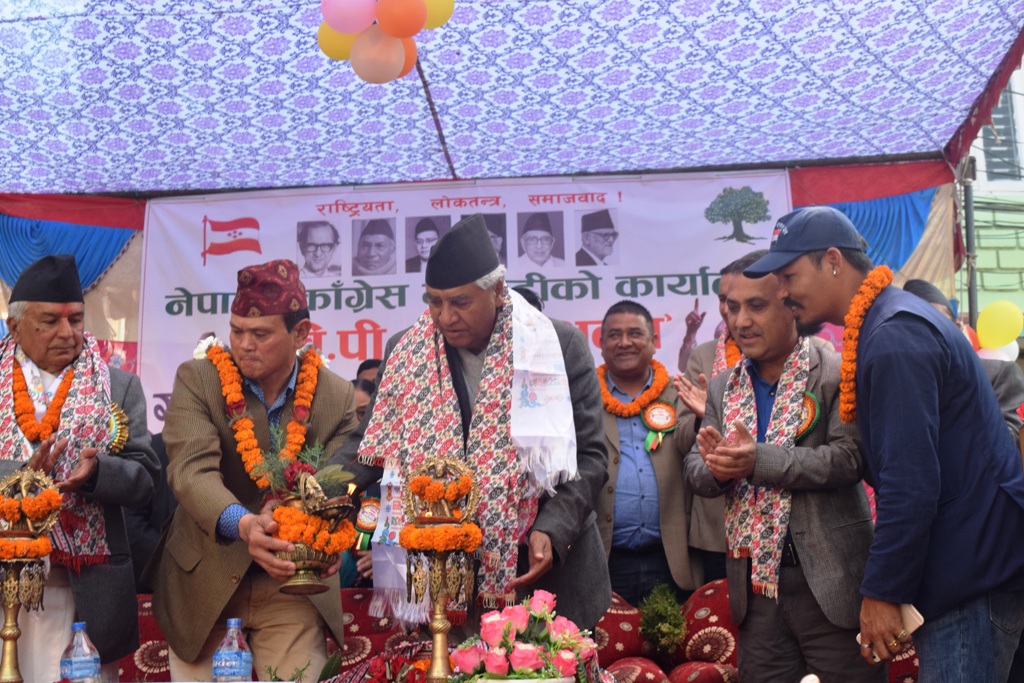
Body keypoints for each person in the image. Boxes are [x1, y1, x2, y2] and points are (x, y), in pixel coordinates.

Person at [744, 205, 1024, 681]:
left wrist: (882, 591)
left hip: (970, 572)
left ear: (833, 260)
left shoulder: (895, 335)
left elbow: (909, 483)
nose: (782, 292)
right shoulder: (885, 322)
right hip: (969, 564)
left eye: (789, 276)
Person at [330, 213, 611, 632]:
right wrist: (319, 490)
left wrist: (553, 528)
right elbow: (368, 446)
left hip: (539, 572)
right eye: (434, 302)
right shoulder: (405, 351)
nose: (445, 317)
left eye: (460, 302)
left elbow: (588, 456)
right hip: (443, 572)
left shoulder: (556, 344)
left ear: (497, 291)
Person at [147, 259, 359, 682]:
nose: (244, 345)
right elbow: (190, 471)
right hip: (205, 578)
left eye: (260, 334)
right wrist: (243, 524)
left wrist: (328, 535)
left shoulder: (335, 396)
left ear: (300, 333)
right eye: (236, 331)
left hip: (293, 579)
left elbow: (341, 480)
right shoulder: (198, 379)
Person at [682, 265, 879, 682]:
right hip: (755, 587)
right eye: (732, 307)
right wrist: (719, 469)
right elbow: (696, 468)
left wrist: (758, 461)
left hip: (830, 578)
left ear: (792, 307)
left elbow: (849, 459)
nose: (741, 321)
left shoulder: (834, 371)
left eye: (756, 306)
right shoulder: (723, 386)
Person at [0, 254, 159, 683]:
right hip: (5, 579)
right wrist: (19, 475)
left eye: (75, 319)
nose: (67, 333)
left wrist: (97, 474)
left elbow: (145, 479)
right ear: (14, 326)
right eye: (50, 321)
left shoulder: (117, 386)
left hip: (83, 589)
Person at [596, 300, 702, 606]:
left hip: (671, 559)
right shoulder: (584, 397)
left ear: (654, 341)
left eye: (634, 333)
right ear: (601, 344)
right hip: (607, 561)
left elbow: (687, 440)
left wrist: (702, 418)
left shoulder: (678, 392)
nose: (624, 342)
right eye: (614, 335)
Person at [674, 251, 767, 584]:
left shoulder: (803, 354)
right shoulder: (704, 355)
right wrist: (705, 419)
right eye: (724, 300)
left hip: (780, 518)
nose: (729, 310)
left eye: (745, 301)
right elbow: (681, 441)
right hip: (717, 526)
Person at [903, 278, 1024, 446]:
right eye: (916, 325)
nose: (929, 332)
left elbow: (1013, 439)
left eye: (937, 321)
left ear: (957, 327)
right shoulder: (899, 381)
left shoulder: (998, 373)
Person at [126, 430, 178, 592]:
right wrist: (173, 563)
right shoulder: (150, 451)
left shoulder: (229, 450)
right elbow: (131, 520)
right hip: (159, 576)